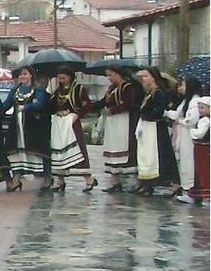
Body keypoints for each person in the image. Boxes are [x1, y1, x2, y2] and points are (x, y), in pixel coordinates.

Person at [49, 67, 98, 192]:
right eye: (59, 78)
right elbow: (53, 104)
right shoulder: (57, 90)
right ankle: (60, 181)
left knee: (77, 150)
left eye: (63, 78)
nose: (61, 80)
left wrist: (78, 114)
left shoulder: (78, 89)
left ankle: (89, 179)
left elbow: (87, 104)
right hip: (59, 123)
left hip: (72, 123)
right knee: (60, 151)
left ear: (70, 77)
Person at [133, 67, 181, 196]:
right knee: (149, 155)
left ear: (154, 77)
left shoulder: (158, 92)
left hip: (156, 127)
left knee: (162, 155)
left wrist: (147, 115)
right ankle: (147, 183)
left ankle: (173, 183)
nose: (144, 79)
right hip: (148, 127)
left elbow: (159, 110)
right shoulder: (149, 93)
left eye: (146, 76)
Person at [3, 66, 51, 192]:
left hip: (33, 126)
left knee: (38, 152)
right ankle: (16, 180)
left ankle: (47, 178)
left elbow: (40, 104)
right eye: (20, 75)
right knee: (16, 152)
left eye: (25, 74)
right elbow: (7, 104)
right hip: (17, 125)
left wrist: (26, 107)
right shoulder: (15, 90)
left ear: (31, 75)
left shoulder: (38, 90)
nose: (22, 77)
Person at [95, 65, 139, 193]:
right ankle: (115, 181)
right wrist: (89, 106)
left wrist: (113, 109)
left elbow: (128, 103)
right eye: (107, 75)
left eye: (110, 75)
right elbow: (104, 101)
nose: (109, 78)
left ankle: (138, 181)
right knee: (113, 146)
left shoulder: (128, 87)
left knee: (126, 147)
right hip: (113, 122)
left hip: (124, 121)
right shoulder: (112, 88)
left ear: (117, 73)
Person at [167, 76, 202, 204]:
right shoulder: (185, 101)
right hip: (182, 135)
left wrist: (180, 120)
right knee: (183, 162)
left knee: (189, 162)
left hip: (189, 136)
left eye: (183, 85)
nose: (180, 88)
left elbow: (190, 120)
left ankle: (191, 190)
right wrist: (167, 113)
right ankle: (187, 189)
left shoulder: (195, 101)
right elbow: (177, 113)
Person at [188, 96, 210, 204]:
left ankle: (205, 195)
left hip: (203, 148)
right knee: (199, 170)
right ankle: (198, 195)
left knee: (202, 171)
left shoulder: (205, 120)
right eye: (199, 108)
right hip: (201, 147)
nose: (200, 110)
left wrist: (192, 131)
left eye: (203, 108)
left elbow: (200, 134)